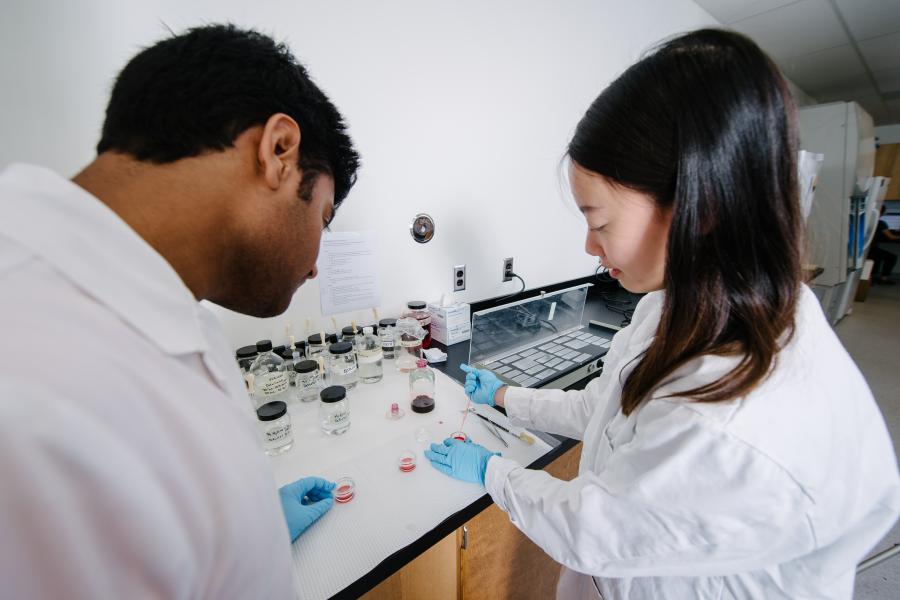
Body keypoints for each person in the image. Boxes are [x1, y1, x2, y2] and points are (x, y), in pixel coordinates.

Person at [426, 29, 900, 599]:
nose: (589, 246)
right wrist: (506, 396)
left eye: (599, 222)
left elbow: (594, 528)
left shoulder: (730, 418)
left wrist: (492, 472)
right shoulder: (676, 301)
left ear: (702, 206)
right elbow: (604, 407)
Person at [0, 25, 359, 598]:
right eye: (324, 217)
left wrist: (250, 527)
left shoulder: (176, 309)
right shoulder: (30, 395)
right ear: (279, 151)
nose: (316, 265)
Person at [870, 204, 899, 284]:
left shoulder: (868, 221)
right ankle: (884, 278)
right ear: (882, 213)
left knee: (879, 254)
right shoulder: (881, 223)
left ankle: (872, 276)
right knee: (892, 257)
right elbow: (891, 237)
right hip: (872, 249)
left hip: (866, 250)